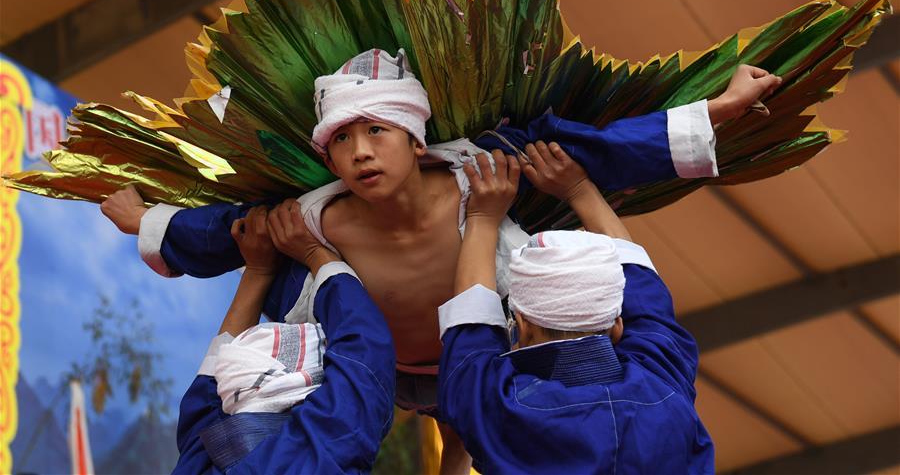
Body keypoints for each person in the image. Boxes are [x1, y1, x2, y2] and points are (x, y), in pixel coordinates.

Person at [101, 49, 774, 473]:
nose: (360, 151)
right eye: (341, 140)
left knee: (461, 421)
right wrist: (151, 223)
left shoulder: (483, 171)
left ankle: (455, 438)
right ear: (326, 155)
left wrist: (714, 113)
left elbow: (590, 149)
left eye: (376, 130)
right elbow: (228, 231)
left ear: (416, 137)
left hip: (498, 368)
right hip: (379, 378)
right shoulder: (308, 218)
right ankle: (453, 434)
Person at [437, 143, 713, 473]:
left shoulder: (502, 405)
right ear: (617, 327)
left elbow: (471, 333)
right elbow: (648, 302)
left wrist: (483, 216)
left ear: (522, 325)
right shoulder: (663, 386)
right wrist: (580, 189)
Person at [175, 205, 395, 474]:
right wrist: (315, 255)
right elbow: (364, 361)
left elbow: (204, 419)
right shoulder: (309, 459)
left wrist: (258, 271)